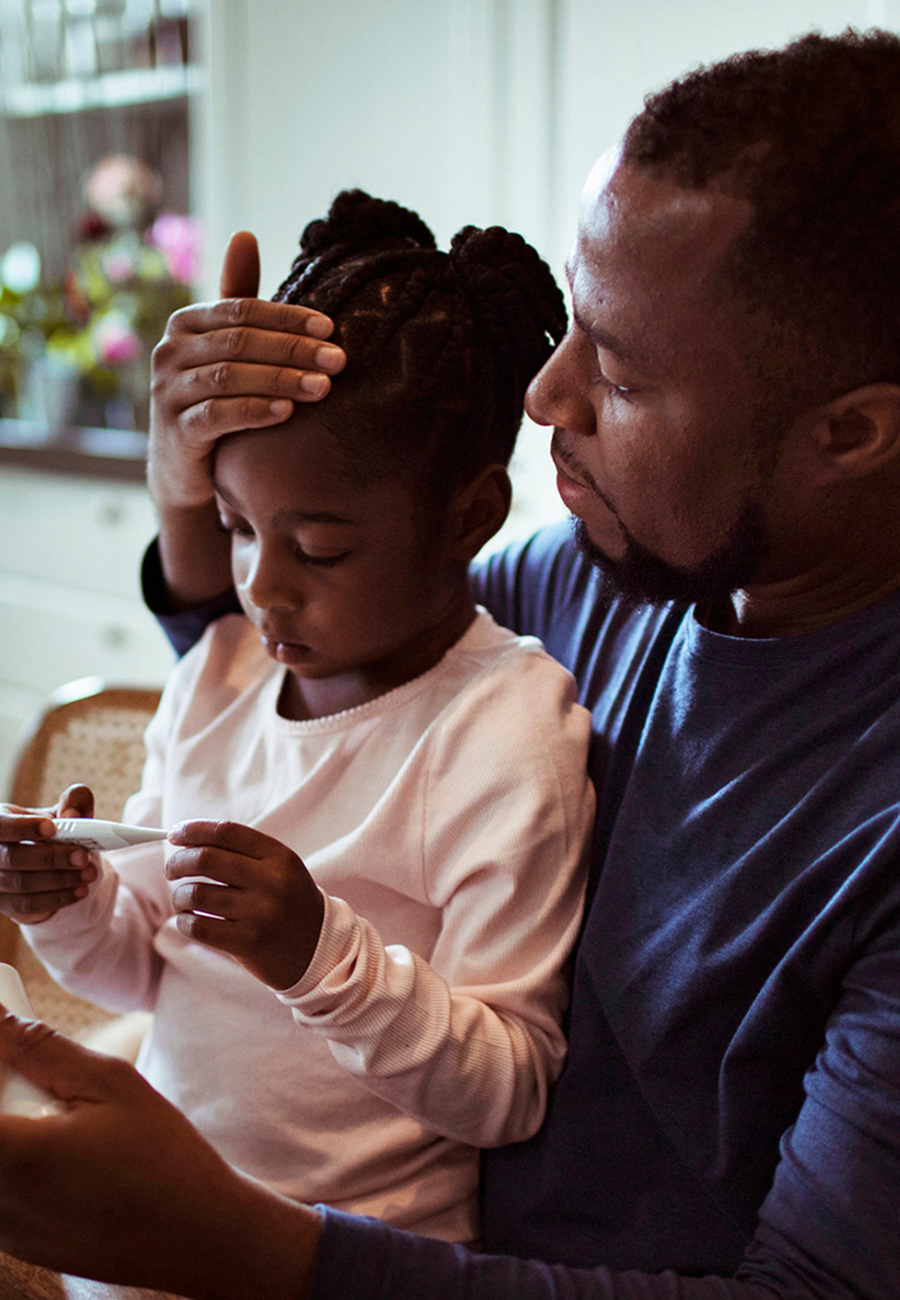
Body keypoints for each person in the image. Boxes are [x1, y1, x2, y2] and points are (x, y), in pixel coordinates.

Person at [0, 24, 899, 1300]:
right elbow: (308, 664)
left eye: (621, 374)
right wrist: (189, 491)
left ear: (851, 432)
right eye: (570, 328)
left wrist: (241, 1245)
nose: (547, 395)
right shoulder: (605, 571)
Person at [0, 193, 594, 1244]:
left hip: (334, 1260)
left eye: (317, 549)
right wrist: (73, 904)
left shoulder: (506, 733)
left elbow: (510, 1092)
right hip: (145, 1228)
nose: (261, 588)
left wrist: (319, 956)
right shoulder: (218, 676)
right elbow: (139, 967)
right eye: (234, 528)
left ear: (470, 518)